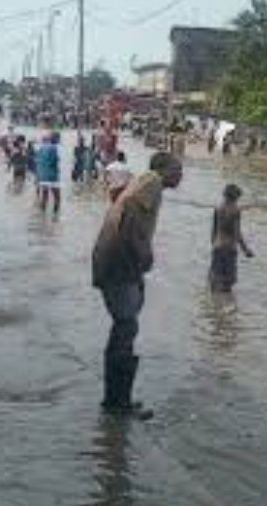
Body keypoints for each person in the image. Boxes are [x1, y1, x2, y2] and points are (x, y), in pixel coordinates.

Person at [92, 152, 183, 419]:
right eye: (177, 169)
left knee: (124, 327)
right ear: (163, 169)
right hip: (119, 265)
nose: (181, 176)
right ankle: (117, 404)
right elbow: (131, 211)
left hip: (115, 263)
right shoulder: (152, 182)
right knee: (126, 327)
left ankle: (116, 400)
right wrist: (144, 254)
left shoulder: (145, 182)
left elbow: (121, 198)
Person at [209, 184, 254, 292]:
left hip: (217, 246)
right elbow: (237, 233)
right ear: (236, 197)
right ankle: (224, 304)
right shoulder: (235, 211)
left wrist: (213, 244)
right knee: (228, 281)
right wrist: (246, 250)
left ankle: (214, 304)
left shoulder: (218, 208)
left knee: (215, 278)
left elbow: (213, 230)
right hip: (229, 249)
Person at [36, 132, 61, 214]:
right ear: (56, 139)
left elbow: (38, 161)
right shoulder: (54, 148)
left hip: (42, 175)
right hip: (52, 176)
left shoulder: (42, 147)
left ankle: (42, 214)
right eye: (59, 139)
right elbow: (55, 162)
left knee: (44, 196)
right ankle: (55, 216)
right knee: (57, 197)